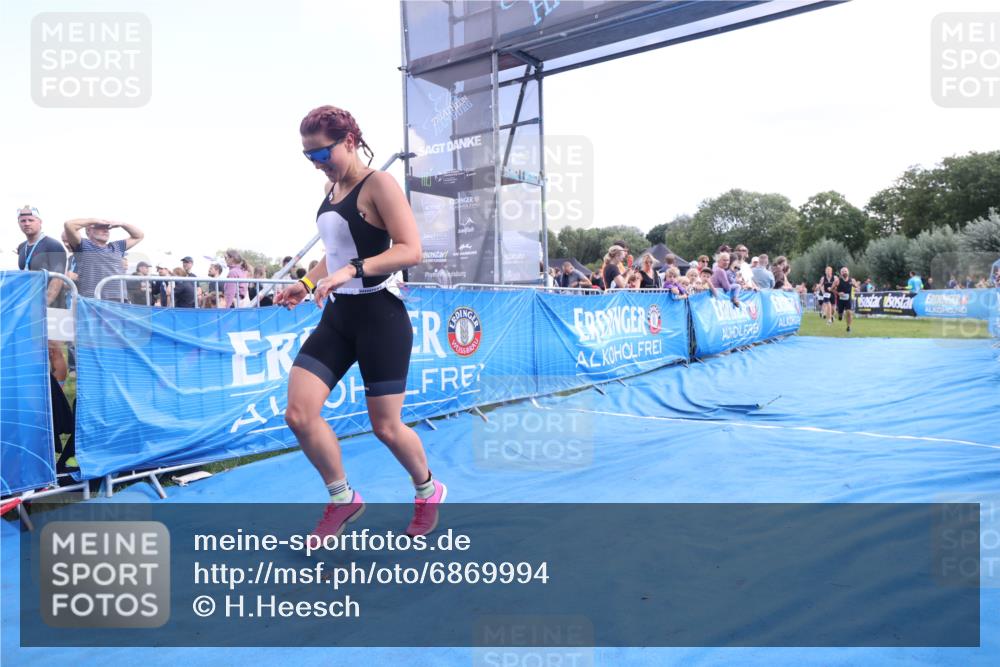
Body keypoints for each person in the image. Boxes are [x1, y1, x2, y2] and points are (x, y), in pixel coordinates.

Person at [274, 104, 445, 538]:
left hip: (380, 317)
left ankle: (428, 490)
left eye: (321, 153)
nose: (316, 164)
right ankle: (342, 498)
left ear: (349, 141)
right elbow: (334, 252)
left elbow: (410, 250)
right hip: (338, 317)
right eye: (308, 156)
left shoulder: (379, 184)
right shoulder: (331, 189)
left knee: (386, 427)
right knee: (299, 414)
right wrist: (307, 284)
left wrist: (352, 270)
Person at [16, 205, 69, 381]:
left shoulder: (52, 244)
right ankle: (44, 388)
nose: (26, 223)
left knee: (54, 350)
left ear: (39, 222)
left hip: (54, 305)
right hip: (31, 306)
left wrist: (42, 304)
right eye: (23, 220)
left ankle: (59, 391)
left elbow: (58, 278)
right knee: (36, 350)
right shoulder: (22, 247)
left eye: (30, 220)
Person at [63, 218, 144, 300]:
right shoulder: (82, 245)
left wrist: (122, 224)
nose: (106, 231)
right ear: (88, 230)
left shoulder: (117, 246)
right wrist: (95, 221)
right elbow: (69, 225)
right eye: (100, 228)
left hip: (118, 301)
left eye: (107, 228)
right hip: (93, 301)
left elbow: (139, 236)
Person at [832, 266, 855, 333]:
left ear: (848, 272)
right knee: (840, 314)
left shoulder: (852, 280)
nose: (844, 272)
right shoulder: (837, 281)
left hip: (848, 299)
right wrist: (838, 293)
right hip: (840, 300)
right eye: (843, 271)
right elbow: (832, 289)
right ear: (841, 273)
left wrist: (855, 286)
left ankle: (848, 327)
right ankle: (840, 315)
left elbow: (857, 287)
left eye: (845, 271)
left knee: (849, 312)